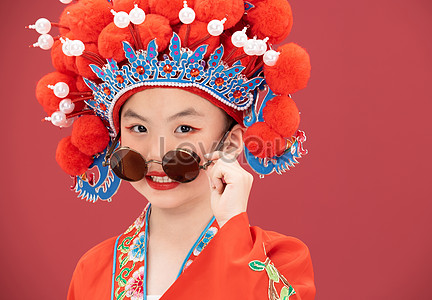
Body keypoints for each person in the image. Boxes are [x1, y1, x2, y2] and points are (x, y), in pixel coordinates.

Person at [30, 0, 315, 299]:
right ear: (117, 139)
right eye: (139, 129)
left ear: (230, 143)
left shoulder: (282, 262)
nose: (154, 152)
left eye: (184, 129)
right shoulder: (93, 270)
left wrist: (232, 226)